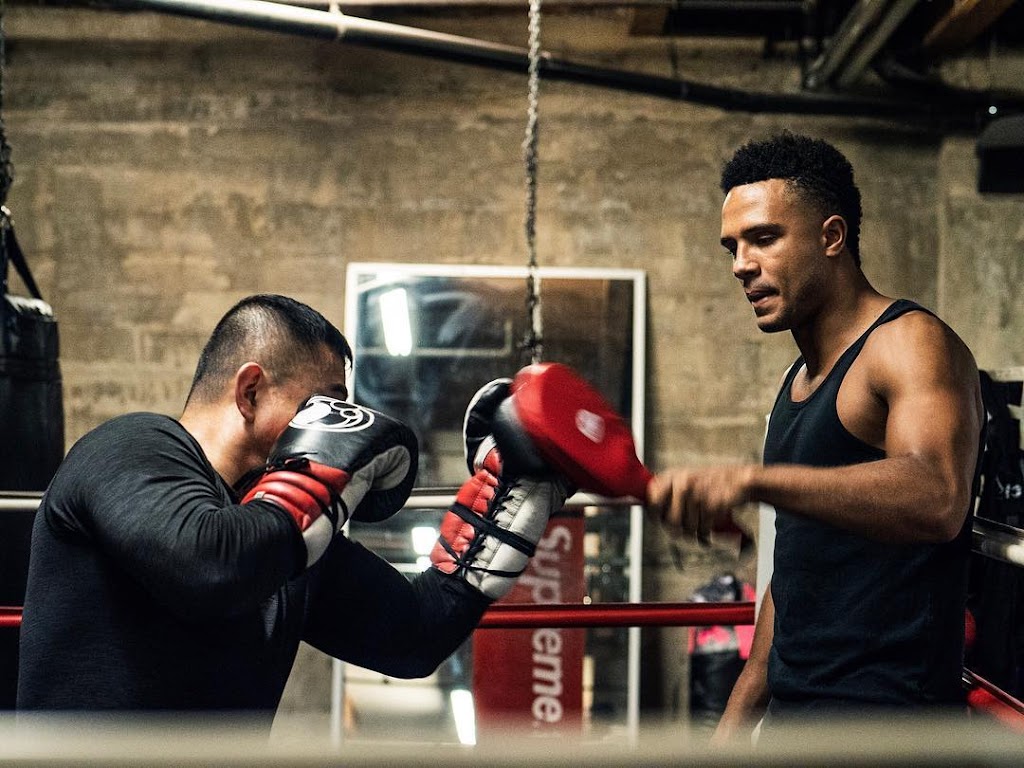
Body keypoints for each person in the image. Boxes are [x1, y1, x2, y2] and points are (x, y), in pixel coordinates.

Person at [17, 293, 568, 719]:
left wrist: (514, 496)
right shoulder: (131, 448)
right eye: (320, 408)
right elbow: (209, 564)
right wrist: (317, 482)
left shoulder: (287, 542)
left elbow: (415, 635)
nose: (327, 431)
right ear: (250, 391)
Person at [646, 133, 985, 740]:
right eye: (733, 246)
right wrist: (736, 718)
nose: (740, 264)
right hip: (793, 722)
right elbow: (800, 563)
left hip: (888, 730)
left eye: (764, 238)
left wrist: (753, 481)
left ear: (831, 236)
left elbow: (938, 496)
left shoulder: (907, 342)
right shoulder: (795, 382)